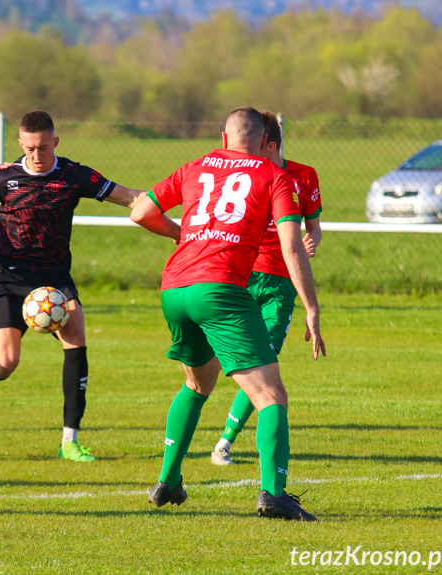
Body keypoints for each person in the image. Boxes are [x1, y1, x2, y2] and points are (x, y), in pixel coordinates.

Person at [130, 107, 325, 521]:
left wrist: (180, 233)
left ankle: (168, 481)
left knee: (198, 384)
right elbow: (292, 247)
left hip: (174, 288)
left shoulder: (196, 166)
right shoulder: (275, 176)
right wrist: (311, 306)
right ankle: (274, 494)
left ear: (224, 137)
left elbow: (140, 211)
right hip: (219, 289)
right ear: (264, 142)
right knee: (270, 395)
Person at [0, 110, 176, 462]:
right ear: (20, 144)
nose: (37, 156)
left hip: (54, 279)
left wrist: (177, 201)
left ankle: (69, 440)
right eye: (30, 148)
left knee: (77, 342)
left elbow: (130, 196)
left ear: (55, 141)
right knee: (6, 362)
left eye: (43, 147)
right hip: (9, 278)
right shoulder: (6, 179)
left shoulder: (74, 175)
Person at [210, 110, 323, 466]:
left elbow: (314, 228)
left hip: (280, 285)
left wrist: (311, 240)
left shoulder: (303, 176)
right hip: (241, 276)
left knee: (263, 360)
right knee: (218, 365)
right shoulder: (245, 175)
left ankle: (224, 443)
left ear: (269, 145)